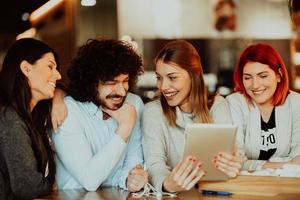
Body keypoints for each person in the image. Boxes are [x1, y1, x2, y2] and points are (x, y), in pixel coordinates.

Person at [142, 40, 242, 193]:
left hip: (211, 194)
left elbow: (232, 154)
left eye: (172, 77)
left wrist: (233, 163)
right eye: (159, 78)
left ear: (194, 75)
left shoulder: (217, 105)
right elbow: (154, 164)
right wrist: (167, 184)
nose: (163, 87)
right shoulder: (153, 111)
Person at [51, 38, 148, 192]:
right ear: (91, 82)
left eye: (125, 81)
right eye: (111, 83)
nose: (122, 91)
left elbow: (133, 157)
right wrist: (125, 128)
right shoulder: (68, 110)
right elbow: (89, 179)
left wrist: (130, 177)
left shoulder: (134, 103)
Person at [0, 38, 61, 199]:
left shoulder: (29, 117)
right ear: (26, 69)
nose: (58, 75)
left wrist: (59, 97)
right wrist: (51, 184)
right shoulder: (9, 117)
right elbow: (27, 187)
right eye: (50, 66)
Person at [226, 43, 300, 171]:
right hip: (247, 185)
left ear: (279, 75)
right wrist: (281, 164)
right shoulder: (235, 103)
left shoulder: (296, 103)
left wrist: (252, 164)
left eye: (263, 76)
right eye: (248, 78)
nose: (255, 85)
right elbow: (234, 162)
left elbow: (298, 158)